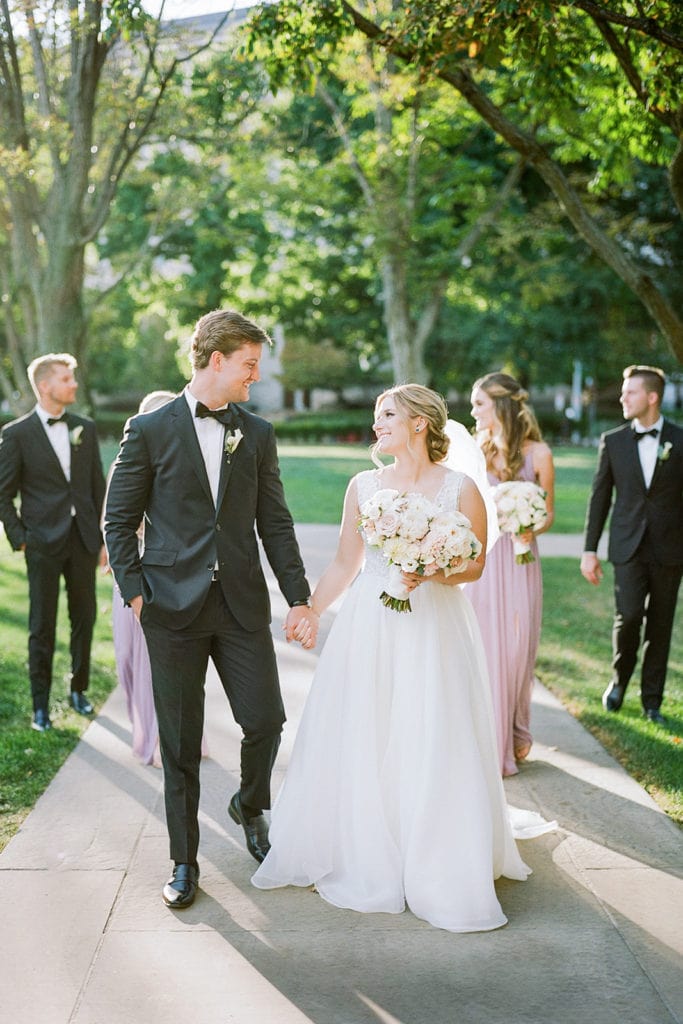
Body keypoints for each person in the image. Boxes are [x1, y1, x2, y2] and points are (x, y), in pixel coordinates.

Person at [253, 384, 554, 934]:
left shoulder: (461, 488)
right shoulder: (363, 485)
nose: (377, 424)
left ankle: (436, 851)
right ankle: (372, 845)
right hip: (371, 621)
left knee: (432, 728)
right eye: (376, 416)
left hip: (435, 624)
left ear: (419, 422)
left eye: (387, 414)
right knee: (370, 729)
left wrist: (431, 570)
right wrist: (312, 610)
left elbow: (475, 567)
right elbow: (347, 561)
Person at [104, 309, 315, 911]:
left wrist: (298, 595)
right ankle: (182, 860)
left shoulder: (257, 433)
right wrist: (137, 593)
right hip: (170, 609)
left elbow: (274, 521)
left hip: (240, 604)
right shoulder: (147, 429)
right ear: (216, 359)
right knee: (179, 742)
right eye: (249, 366)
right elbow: (120, 522)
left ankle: (250, 804)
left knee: (267, 720)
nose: (254, 379)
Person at [0, 353, 107, 732]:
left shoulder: (85, 429)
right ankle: (40, 706)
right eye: (66, 379)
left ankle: (79, 689)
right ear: (45, 385)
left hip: (82, 541)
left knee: (85, 618)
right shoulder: (16, 434)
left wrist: (103, 538)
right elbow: (3, 494)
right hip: (41, 544)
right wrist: (21, 540)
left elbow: (98, 486)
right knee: (41, 625)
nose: (73, 384)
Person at [108, 390, 210, 768]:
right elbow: (115, 521)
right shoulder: (128, 461)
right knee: (128, 661)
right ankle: (144, 729)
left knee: (166, 663)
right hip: (131, 573)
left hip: (170, 578)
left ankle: (166, 740)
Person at [462, 373, 555, 777]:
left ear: (501, 406)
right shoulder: (472, 452)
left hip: (519, 560)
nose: (472, 411)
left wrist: (531, 524)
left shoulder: (540, 453)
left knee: (516, 650)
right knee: (483, 647)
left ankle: (512, 730)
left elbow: (549, 513)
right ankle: (482, 741)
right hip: (483, 561)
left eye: (479, 403)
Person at [581, 365, 683, 725]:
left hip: (671, 549)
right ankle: (619, 680)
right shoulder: (614, 440)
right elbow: (599, 499)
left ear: (652, 397)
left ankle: (652, 700)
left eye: (630, 392)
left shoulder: (680, 439)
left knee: (660, 624)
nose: (623, 397)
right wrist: (589, 549)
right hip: (627, 546)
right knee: (629, 618)